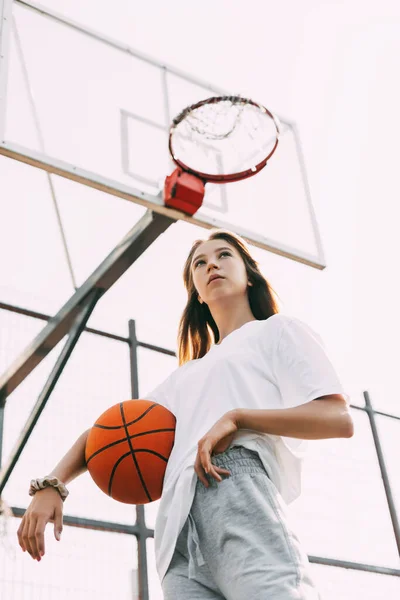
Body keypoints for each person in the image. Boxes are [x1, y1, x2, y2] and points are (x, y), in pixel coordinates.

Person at [18, 229, 354, 599]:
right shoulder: (186, 375)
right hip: (177, 534)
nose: (212, 263)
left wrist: (238, 418)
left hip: (235, 486)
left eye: (224, 255)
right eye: (200, 262)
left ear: (249, 273)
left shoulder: (277, 331)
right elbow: (104, 435)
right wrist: (52, 485)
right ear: (195, 289)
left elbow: (337, 417)